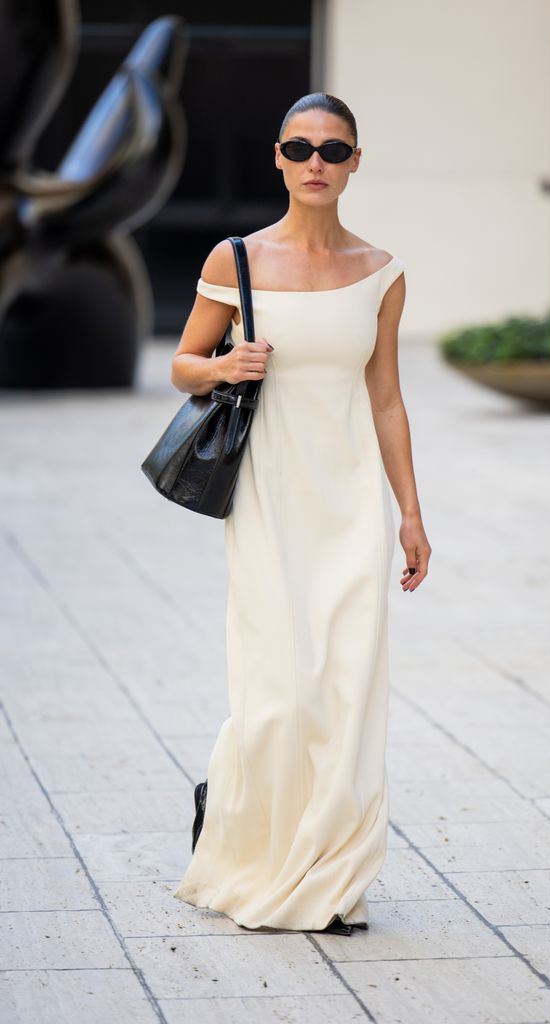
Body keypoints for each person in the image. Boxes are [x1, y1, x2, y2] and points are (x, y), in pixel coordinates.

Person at [170, 92, 431, 935]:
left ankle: (330, 876)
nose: (315, 161)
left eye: (333, 148)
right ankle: (242, 817)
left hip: (349, 499)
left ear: (356, 163)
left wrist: (410, 515)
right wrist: (223, 366)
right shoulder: (236, 257)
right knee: (281, 688)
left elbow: (385, 398)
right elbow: (181, 363)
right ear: (277, 160)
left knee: (347, 686)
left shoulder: (382, 270)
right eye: (298, 146)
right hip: (269, 497)